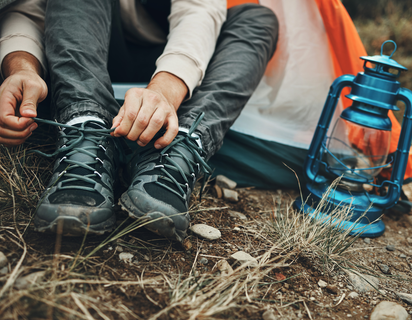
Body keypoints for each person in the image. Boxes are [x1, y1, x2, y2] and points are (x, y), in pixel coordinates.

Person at [0, 0, 278, 242]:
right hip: (86, 52)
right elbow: (29, 8)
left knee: (257, 19)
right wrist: (22, 68)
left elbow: (199, 11)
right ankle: (87, 128)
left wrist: (164, 91)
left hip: (168, 60)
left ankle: (179, 144)